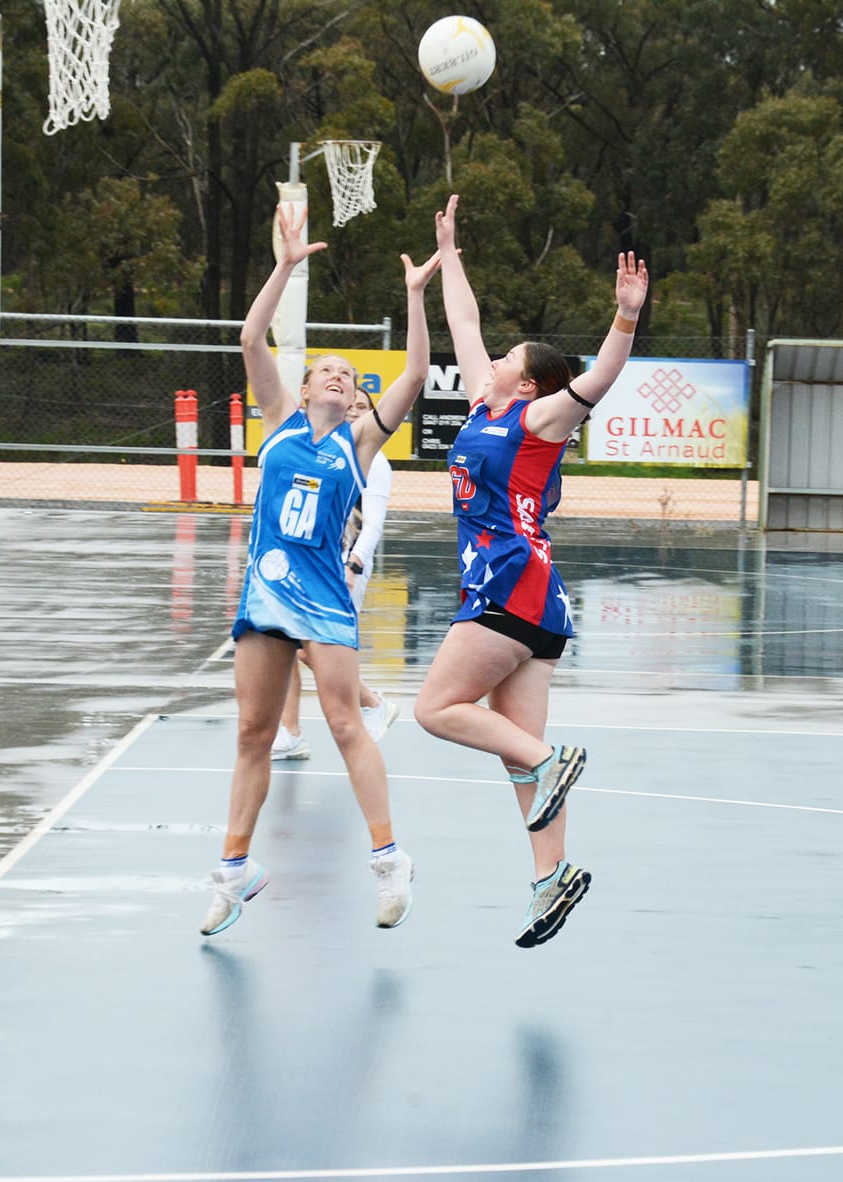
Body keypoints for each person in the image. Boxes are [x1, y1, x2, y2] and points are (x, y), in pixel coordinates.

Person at [412, 193, 649, 948]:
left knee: (436, 710)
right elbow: (466, 323)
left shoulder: (539, 421)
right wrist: (450, 255)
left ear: (527, 384)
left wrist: (626, 316)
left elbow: (598, 379)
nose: (491, 361)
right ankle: (551, 877)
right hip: (536, 601)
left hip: (509, 584)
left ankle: (557, 760)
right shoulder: (486, 408)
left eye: (507, 360)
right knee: (518, 758)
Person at [202, 201, 440, 937]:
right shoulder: (278, 423)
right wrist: (283, 267)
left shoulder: (359, 444)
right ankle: (235, 869)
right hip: (266, 593)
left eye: (348, 373)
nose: (337, 376)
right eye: (325, 370)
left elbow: (418, 371)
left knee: (343, 721)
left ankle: (389, 859)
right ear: (304, 388)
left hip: (325, 595)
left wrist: (415, 296)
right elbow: (250, 337)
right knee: (254, 731)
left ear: (355, 396)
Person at [270, 387, 401, 760]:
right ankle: (290, 732)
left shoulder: (375, 460)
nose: (354, 411)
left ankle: (372, 703)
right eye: (350, 405)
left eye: (363, 407)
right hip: (311, 563)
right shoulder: (323, 451)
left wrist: (353, 564)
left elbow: (372, 524)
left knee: (315, 651)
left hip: (344, 566)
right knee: (286, 643)